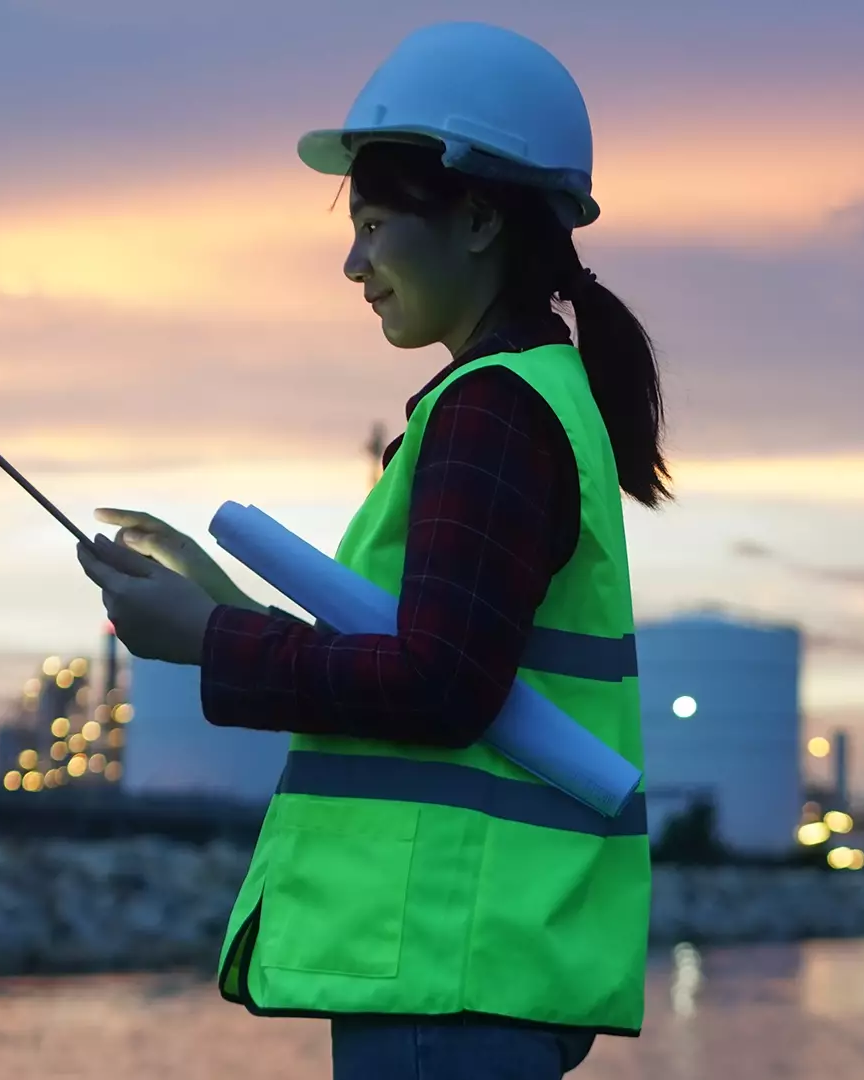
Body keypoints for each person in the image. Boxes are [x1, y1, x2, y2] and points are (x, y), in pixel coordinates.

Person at [75, 21, 665, 1080]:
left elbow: (441, 685)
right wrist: (209, 613)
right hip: (475, 957)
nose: (354, 264)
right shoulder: (528, 399)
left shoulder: (493, 414)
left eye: (377, 224)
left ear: (480, 217)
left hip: (447, 963)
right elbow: (428, 655)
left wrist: (211, 643)